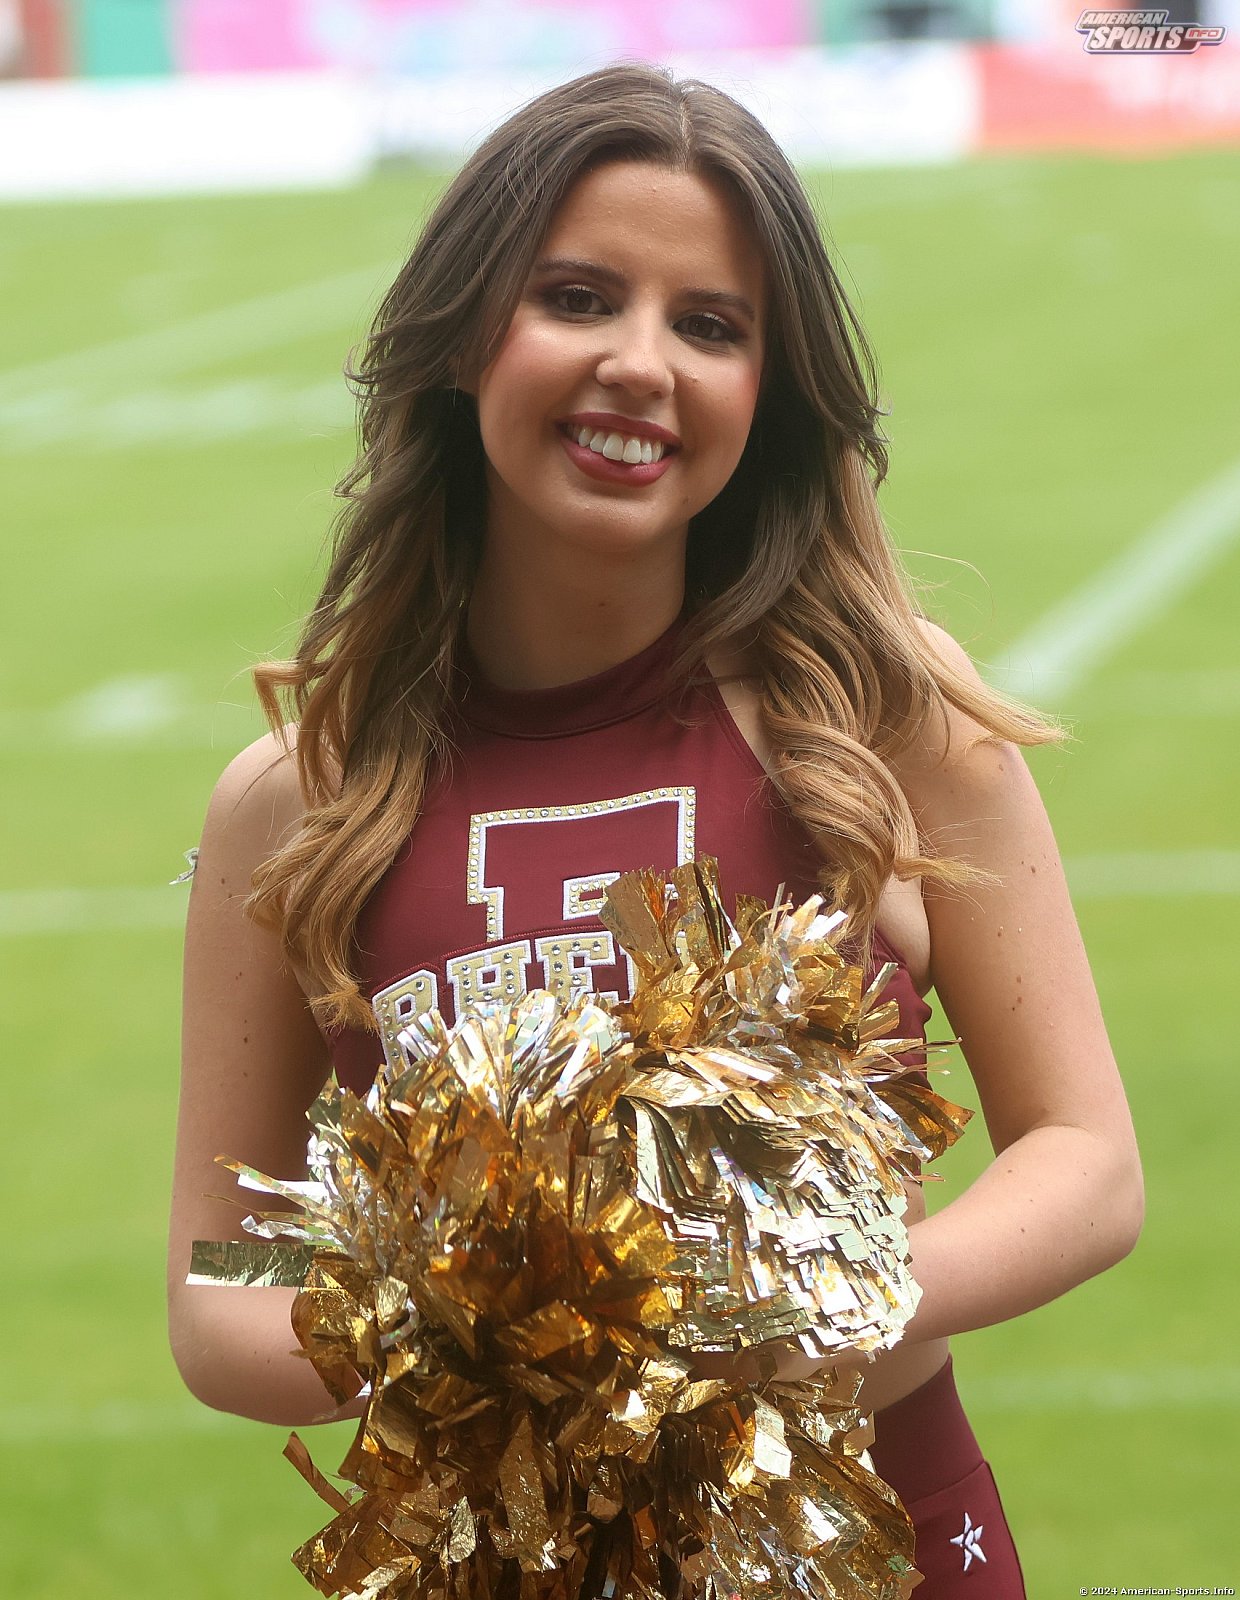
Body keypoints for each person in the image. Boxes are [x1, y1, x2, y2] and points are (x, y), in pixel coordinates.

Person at [168, 63, 1143, 1597]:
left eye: (710, 325)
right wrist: (467, 1327)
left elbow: (1087, 1160)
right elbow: (224, 1278)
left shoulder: (879, 723)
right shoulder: (300, 802)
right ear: (464, 336)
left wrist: (821, 1295)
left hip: (879, 1543)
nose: (641, 364)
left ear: (767, 389)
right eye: (576, 298)